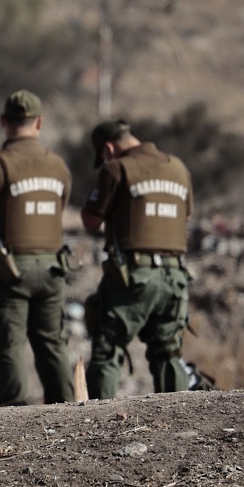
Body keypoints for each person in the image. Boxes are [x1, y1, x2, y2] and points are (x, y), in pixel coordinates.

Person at [0, 89, 75, 407]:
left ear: (4, 121)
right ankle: (69, 410)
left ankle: (16, 415)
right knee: (51, 343)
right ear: (39, 123)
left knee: (9, 343)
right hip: (53, 267)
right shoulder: (58, 166)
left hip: (9, 271)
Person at [81, 119, 195, 398]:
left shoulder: (116, 168)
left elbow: (90, 221)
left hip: (132, 277)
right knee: (168, 352)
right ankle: (182, 422)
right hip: (175, 277)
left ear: (108, 148)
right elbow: (186, 213)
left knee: (108, 351)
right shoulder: (177, 167)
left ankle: (98, 426)